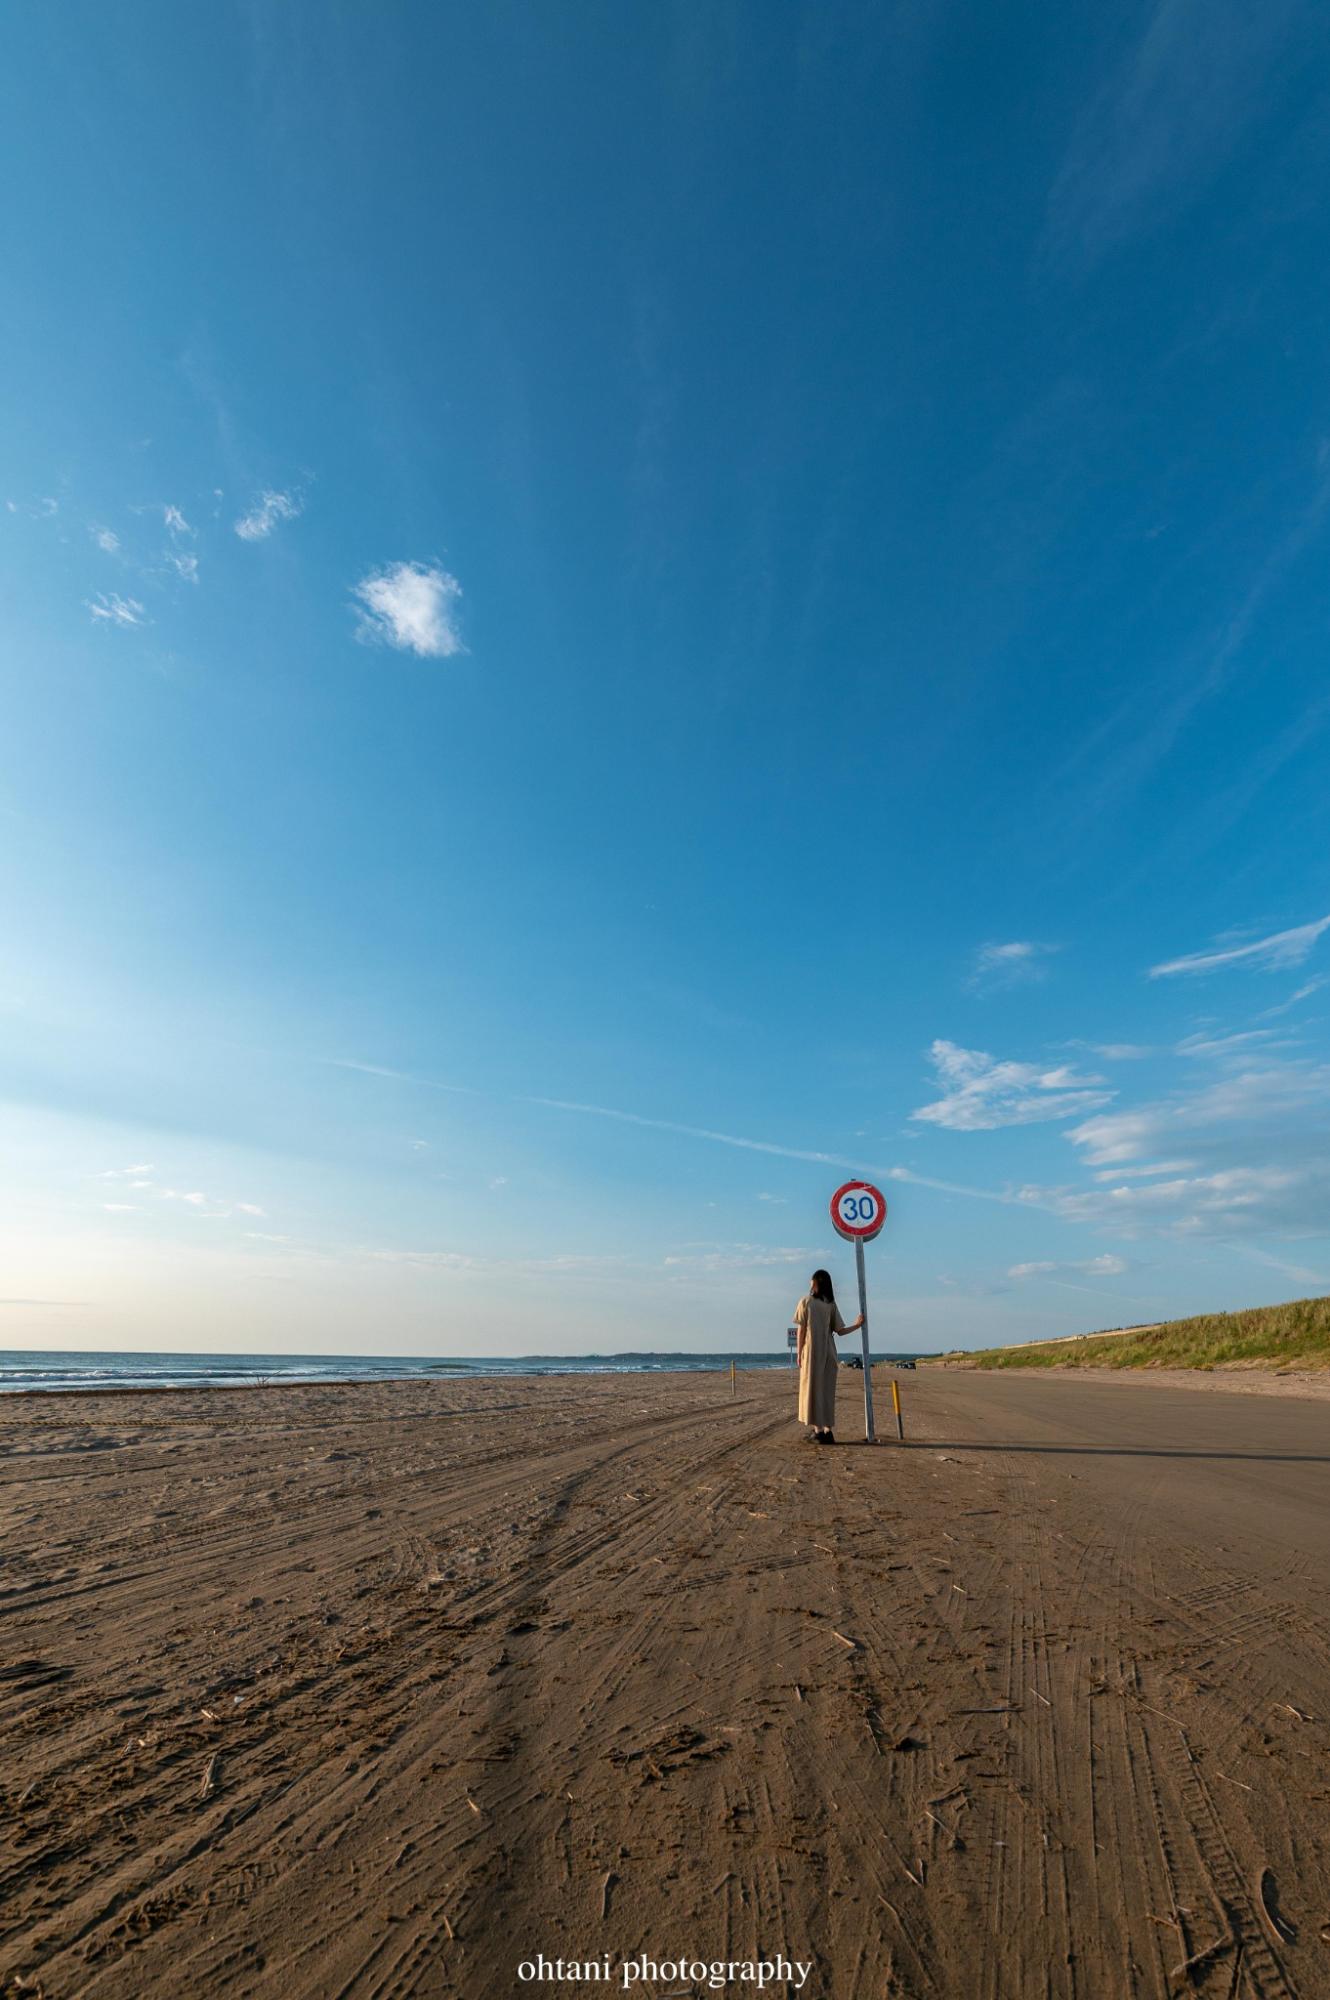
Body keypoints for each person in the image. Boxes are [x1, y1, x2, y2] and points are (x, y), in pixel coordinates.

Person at [793, 1269, 864, 1444]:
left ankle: (818, 1431)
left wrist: (799, 1352)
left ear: (816, 1283)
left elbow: (801, 1330)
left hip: (812, 1352)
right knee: (826, 1391)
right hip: (829, 1353)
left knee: (812, 1390)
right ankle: (827, 1430)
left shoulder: (806, 1302)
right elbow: (840, 1331)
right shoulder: (830, 1305)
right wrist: (857, 1325)